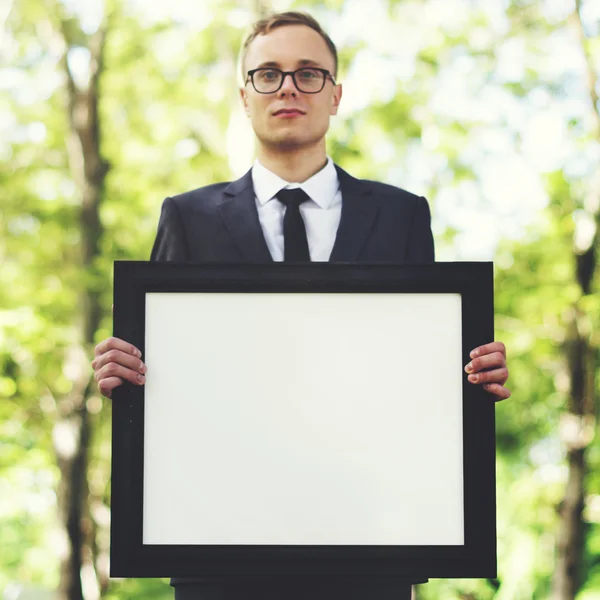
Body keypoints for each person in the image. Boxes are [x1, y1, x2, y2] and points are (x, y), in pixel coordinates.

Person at [92, 11, 510, 600]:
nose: (288, 87)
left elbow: (423, 365)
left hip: (369, 546)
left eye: (309, 73)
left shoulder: (401, 215)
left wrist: (473, 374)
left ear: (335, 95)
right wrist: (124, 372)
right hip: (218, 543)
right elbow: (161, 373)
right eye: (268, 74)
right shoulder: (187, 216)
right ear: (245, 96)